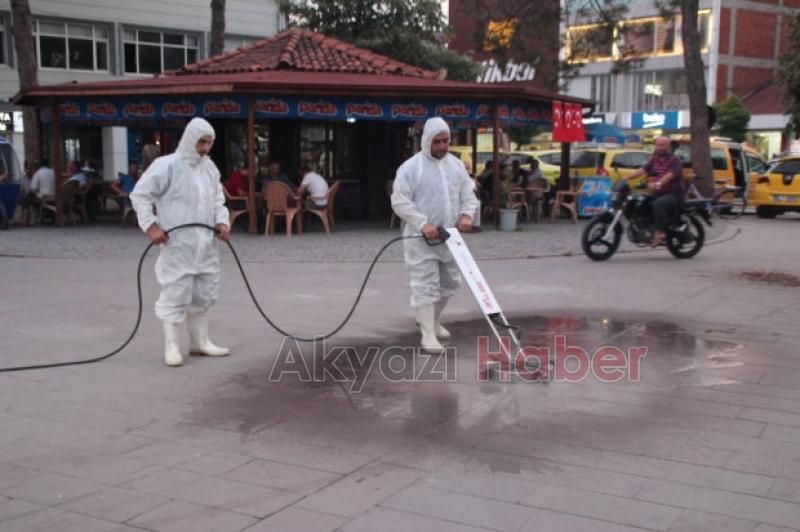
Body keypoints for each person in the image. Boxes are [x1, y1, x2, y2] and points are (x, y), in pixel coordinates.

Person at [130, 118, 231, 367]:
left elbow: (218, 200)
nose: (205, 148)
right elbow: (140, 195)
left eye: (209, 143)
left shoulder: (210, 169)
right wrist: (151, 226)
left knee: (203, 291)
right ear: (189, 139)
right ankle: (171, 346)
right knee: (175, 291)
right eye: (201, 142)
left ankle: (200, 342)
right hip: (178, 243)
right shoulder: (166, 166)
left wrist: (222, 222)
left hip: (205, 244)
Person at [391, 117, 479, 354]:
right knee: (425, 285)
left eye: (446, 141)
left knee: (450, 283)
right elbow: (400, 201)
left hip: (450, 237)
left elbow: (468, 194)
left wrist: (467, 215)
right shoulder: (411, 168)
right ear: (427, 141)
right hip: (421, 240)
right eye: (437, 141)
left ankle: (430, 320)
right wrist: (422, 223)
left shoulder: (456, 166)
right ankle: (428, 335)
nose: (442, 146)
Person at [625, 136, 685, 246]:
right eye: (658, 145)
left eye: (663, 145)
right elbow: (642, 170)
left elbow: (669, 175)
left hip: (674, 195)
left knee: (659, 204)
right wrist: (625, 178)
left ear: (669, 147)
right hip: (658, 193)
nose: (660, 147)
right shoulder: (654, 159)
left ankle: (659, 233)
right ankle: (643, 228)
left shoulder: (675, 160)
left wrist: (659, 183)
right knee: (637, 201)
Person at [21, 160, 55, 225]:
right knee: (30, 198)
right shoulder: (53, 172)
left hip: (44, 198)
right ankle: (31, 219)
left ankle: (28, 220)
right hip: (55, 197)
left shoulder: (38, 173)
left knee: (28, 197)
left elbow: (34, 189)